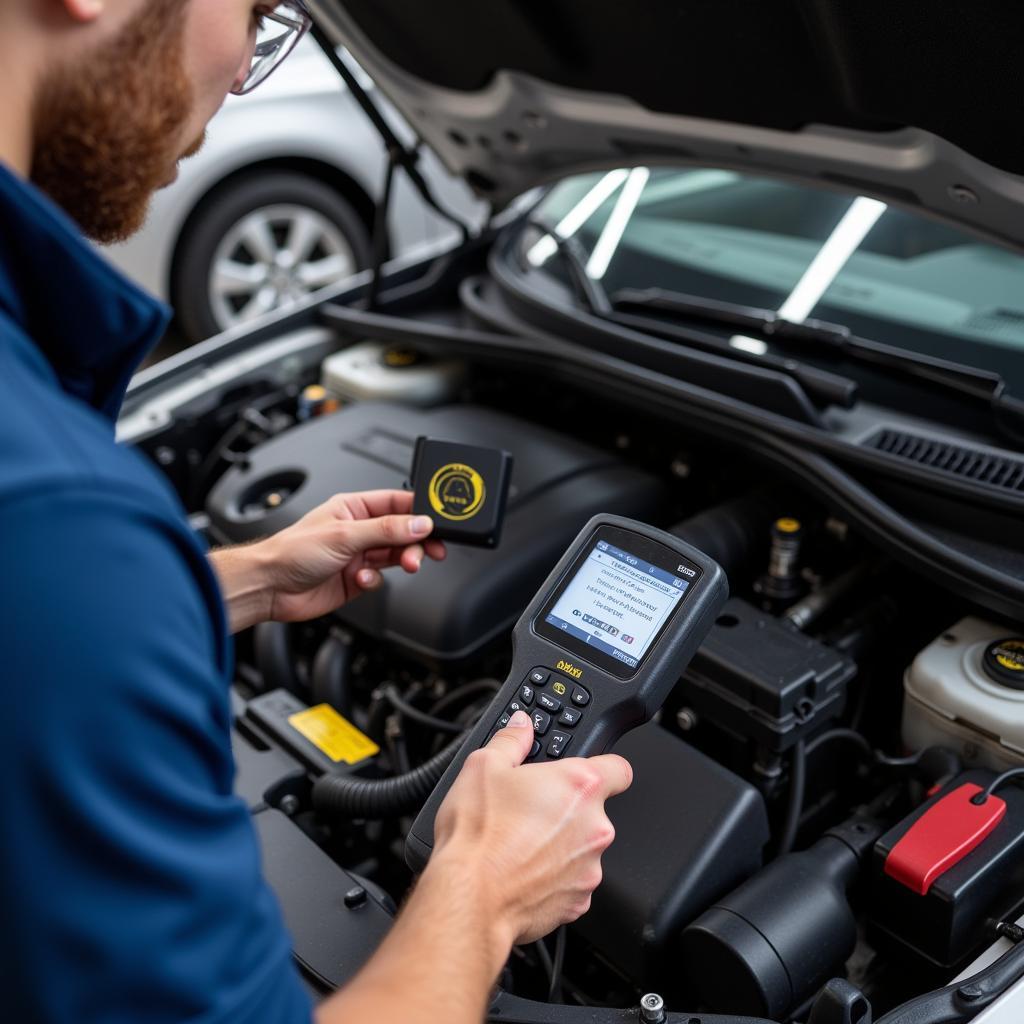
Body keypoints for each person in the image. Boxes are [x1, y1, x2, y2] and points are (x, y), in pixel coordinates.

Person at [0, 1, 633, 1021]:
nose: (246, 65)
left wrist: (236, 580)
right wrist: (483, 889)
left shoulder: (56, 540)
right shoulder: (62, 527)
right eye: (253, 12)